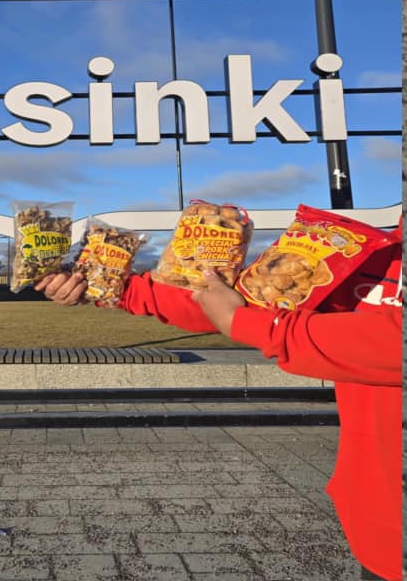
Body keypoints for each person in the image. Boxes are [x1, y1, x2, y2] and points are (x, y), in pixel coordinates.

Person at [39, 227, 402, 581]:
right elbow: (241, 302)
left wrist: (251, 324)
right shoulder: (379, 249)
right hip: (374, 523)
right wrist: (110, 286)